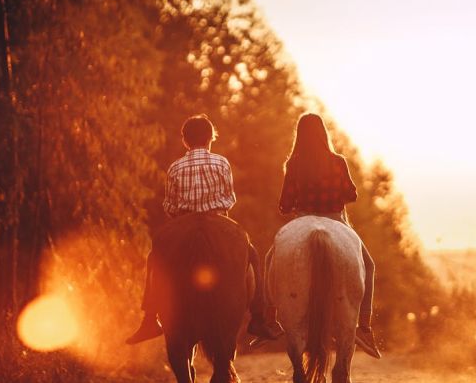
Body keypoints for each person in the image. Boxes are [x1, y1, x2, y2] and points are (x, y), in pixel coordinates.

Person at [126, 114, 284, 344]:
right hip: (216, 217)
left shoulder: (174, 167)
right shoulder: (221, 162)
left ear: (185, 141)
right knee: (253, 256)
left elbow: (170, 204)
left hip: (183, 219)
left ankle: (150, 319)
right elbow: (229, 199)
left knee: (154, 257)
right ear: (211, 138)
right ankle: (259, 318)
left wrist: (181, 217)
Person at [253, 112, 381, 358]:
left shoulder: (294, 163)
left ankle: (269, 320)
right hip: (336, 219)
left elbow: (285, 203)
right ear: (323, 134)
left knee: (270, 260)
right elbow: (352, 194)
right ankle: (364, 326)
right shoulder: (338, 161)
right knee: (370, 266)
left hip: (301, 218)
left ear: (299, 136)